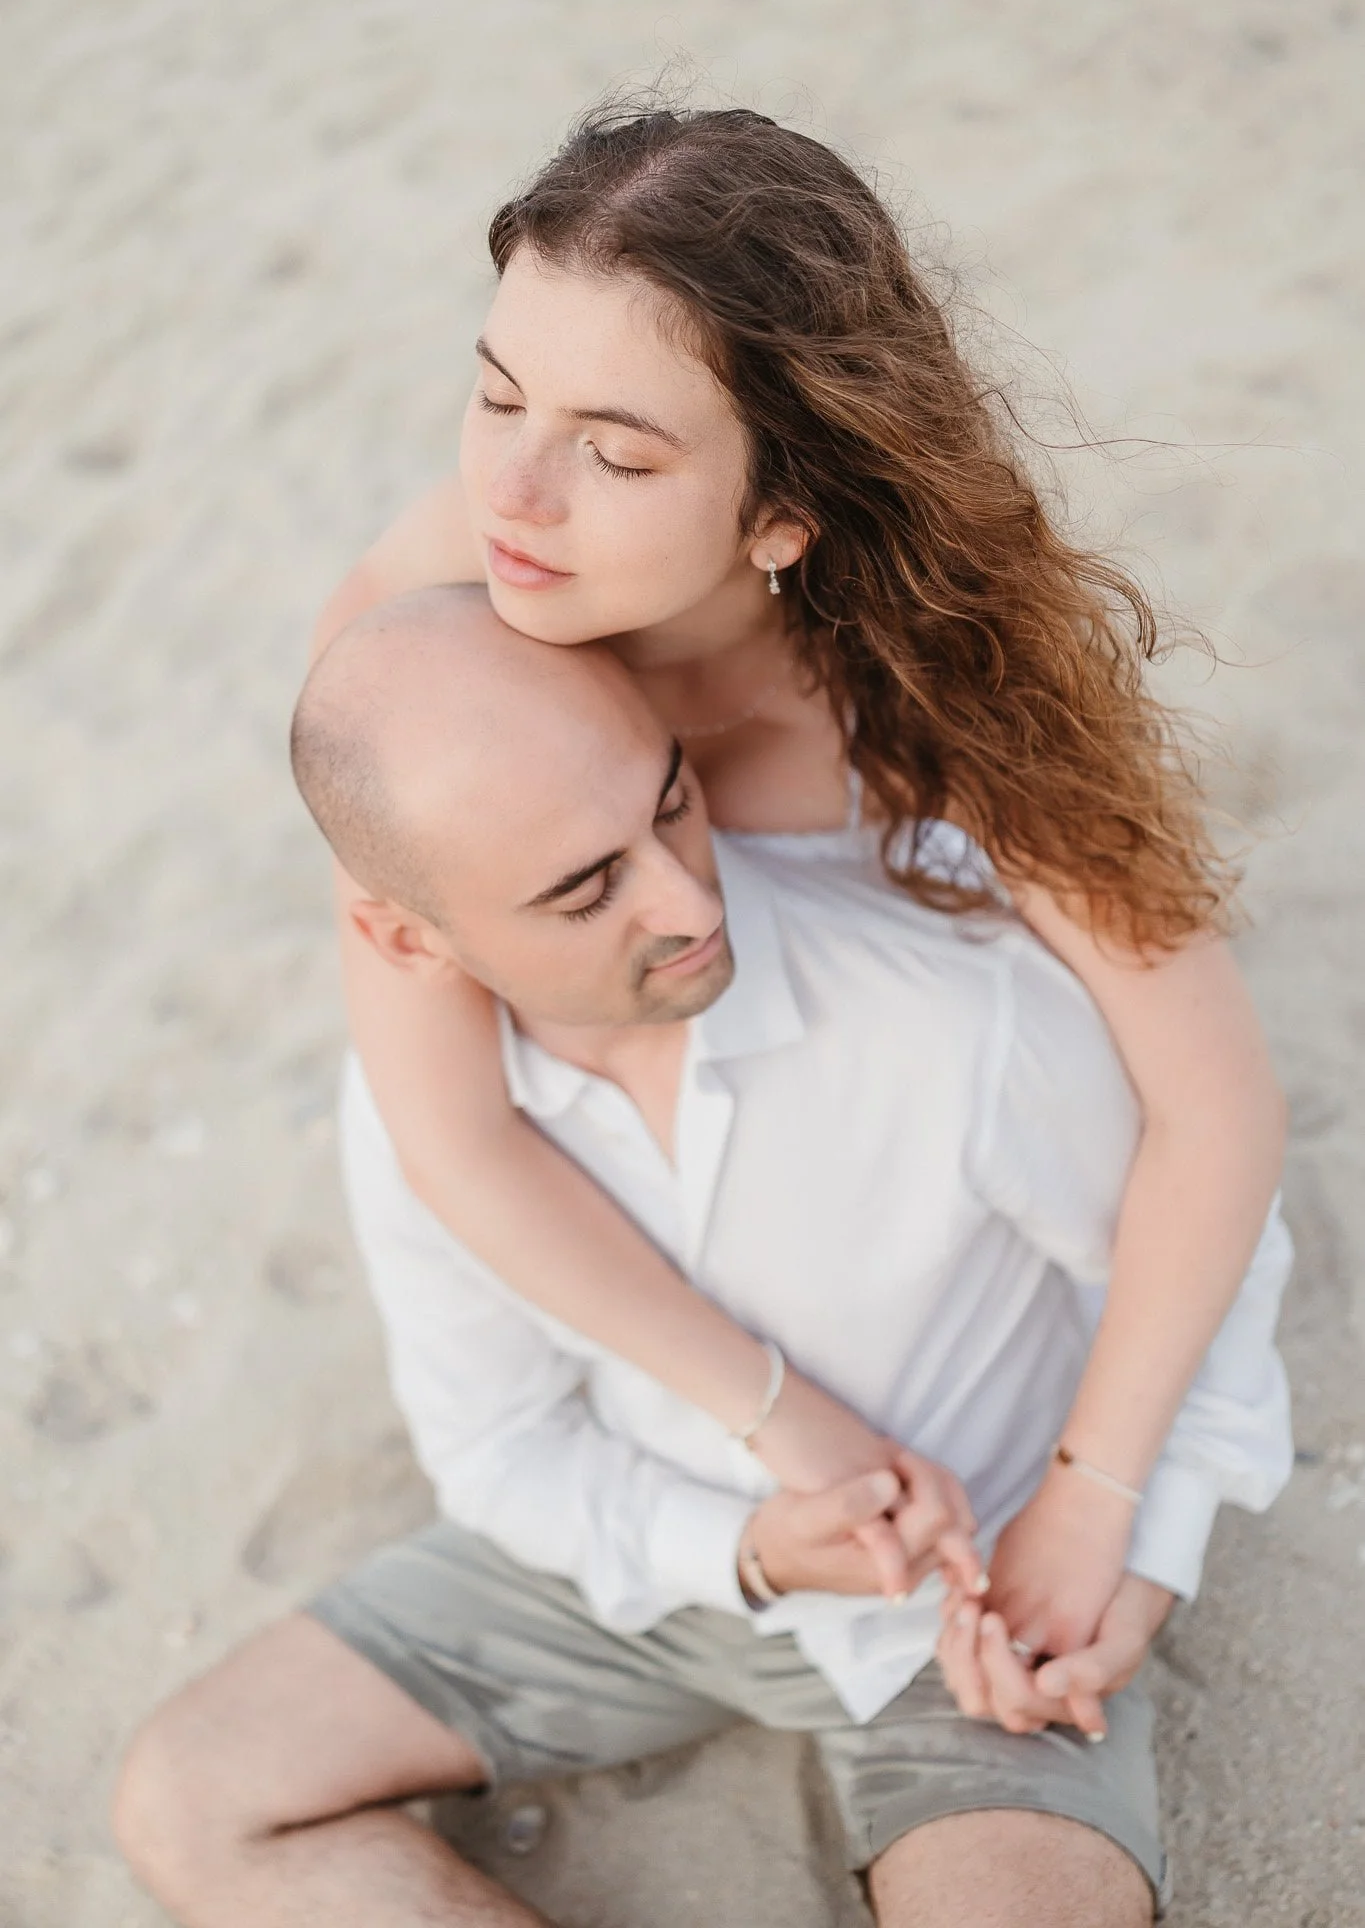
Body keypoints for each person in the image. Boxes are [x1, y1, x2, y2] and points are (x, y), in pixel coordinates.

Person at [114, 590, 1293, 1928]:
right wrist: (745, 1551)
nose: (686, 896)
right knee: (193, 1792)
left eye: (669, 804)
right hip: (646, 1577)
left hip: (970, 1618)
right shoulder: (418, 1116)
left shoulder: (942, 1011)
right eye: (586, 887)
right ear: (408, 941)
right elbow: (498, 1450)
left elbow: (1217, 1251)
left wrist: (1135, 1544)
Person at [316, 100, 1287, 1665]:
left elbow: (1216, 1102)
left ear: (781, 515)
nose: (515, 496)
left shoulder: (946, 702)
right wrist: (780, 1422)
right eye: (498, 399)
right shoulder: (432, 634)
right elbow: (455, 1139)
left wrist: (1099, 1499)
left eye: (616, 452)